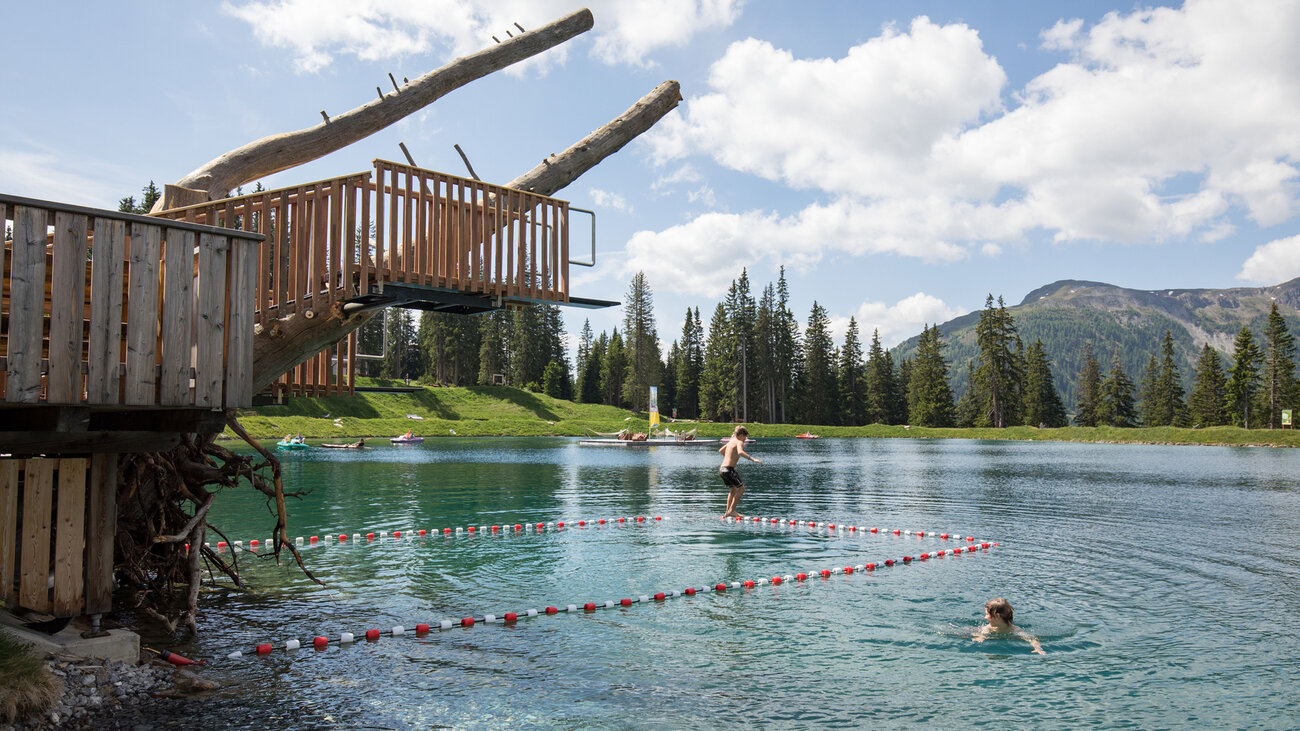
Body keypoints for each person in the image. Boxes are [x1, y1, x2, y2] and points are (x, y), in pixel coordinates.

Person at [973, 597, 1044, 654]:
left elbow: (1032, 639)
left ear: (997, 616)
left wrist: (1038, 648)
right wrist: (980, 637)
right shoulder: (988, 628)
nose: (985, 617)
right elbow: (983, 633)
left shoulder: (1015, 630)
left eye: (987, 614)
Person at [718, 426, 761, 518]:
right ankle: (732, 511)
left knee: (733, 489)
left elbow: (720, 451)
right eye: (745, 437)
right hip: (729, 469)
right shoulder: (739, 442)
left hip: (722, 469)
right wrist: (753, 459)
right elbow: (740, 452)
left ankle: (727, 512)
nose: (745, 439)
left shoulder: (731, 441)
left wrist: (729, 456)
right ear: (741, 435)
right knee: (742, 489)